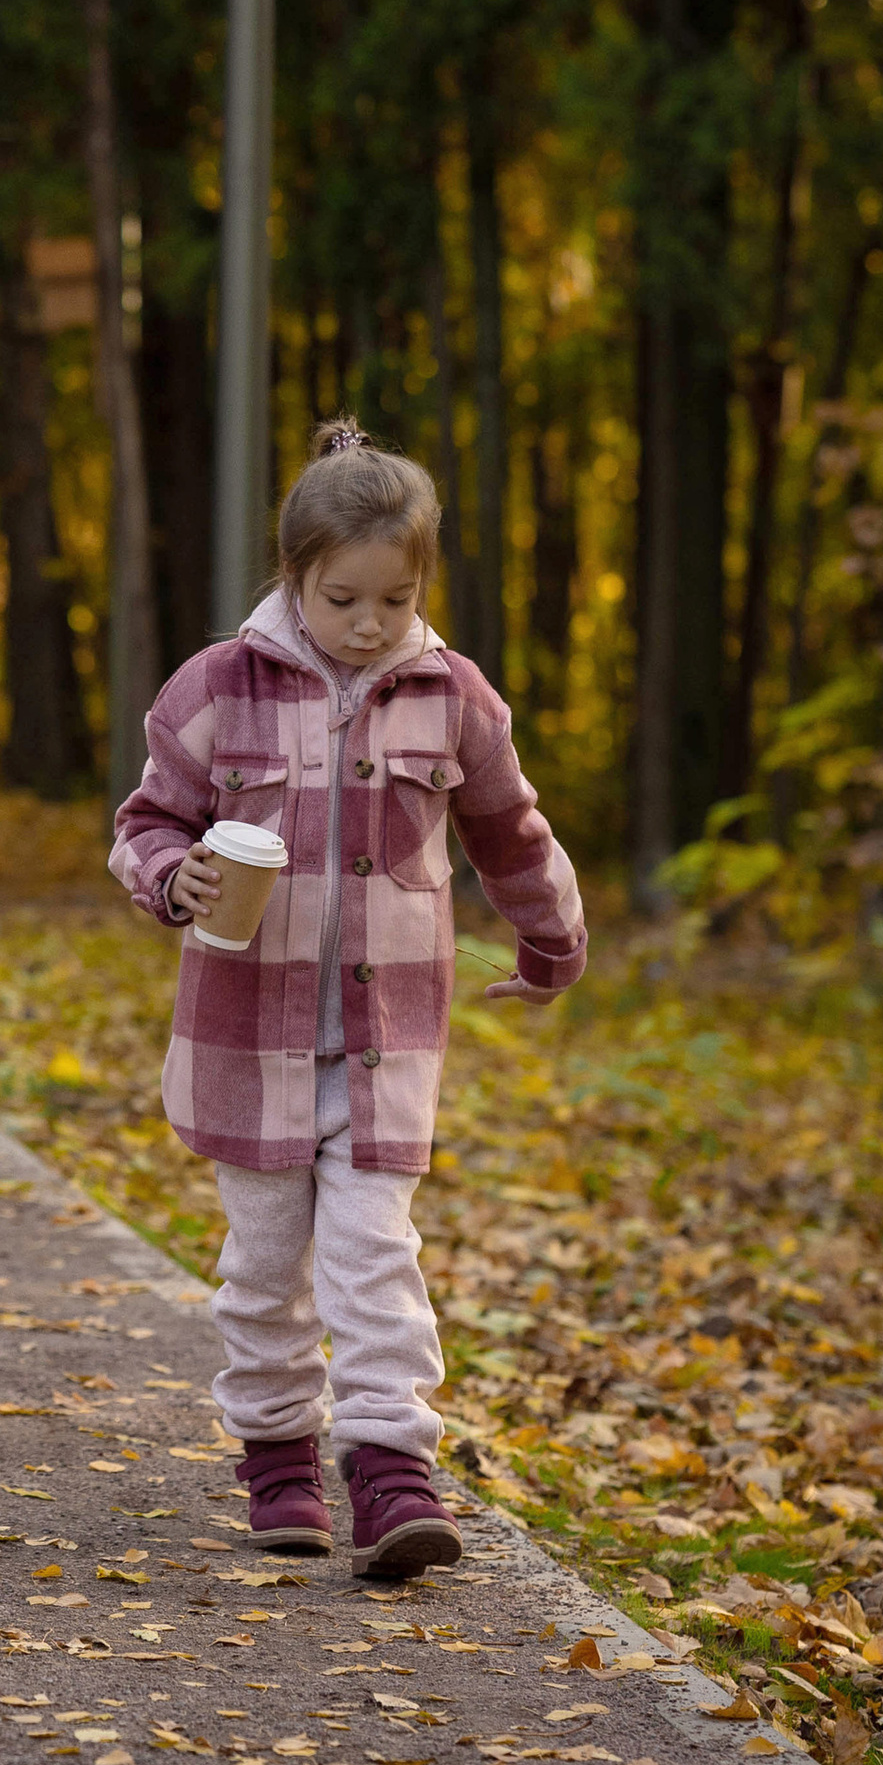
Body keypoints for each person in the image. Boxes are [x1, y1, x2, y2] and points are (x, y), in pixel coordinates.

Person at [110, 419, 587, 1578]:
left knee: (375, 1256)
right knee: (266, 1262)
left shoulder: (450, 698)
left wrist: (550, 941)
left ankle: (391, 1471)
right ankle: (277, 1457)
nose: (370, 626)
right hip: (243, 1039)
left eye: (395, 598)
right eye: (342, 600)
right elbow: (144, 824)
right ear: (293, 579)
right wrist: (177, 879)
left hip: (386, 1043)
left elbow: (507, 832)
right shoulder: (215, 689)